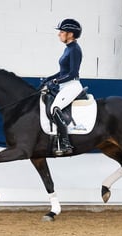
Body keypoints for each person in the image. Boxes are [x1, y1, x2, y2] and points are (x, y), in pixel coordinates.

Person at [43, 18, 84, 156]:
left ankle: (65, 143)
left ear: (70, 34)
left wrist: (55, 82)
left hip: (72, 85)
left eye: (61, 32)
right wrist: (48, 79)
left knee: (55, 108)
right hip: (65, 85)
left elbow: (72, 73)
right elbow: (63, 72)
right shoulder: (68, 49)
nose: (59, 34)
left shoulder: (75, 50)